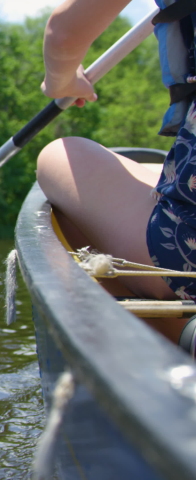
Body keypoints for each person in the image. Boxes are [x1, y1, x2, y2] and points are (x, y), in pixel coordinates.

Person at [37, 0, 196, 341]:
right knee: (147, 173)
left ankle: (151, 342)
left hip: (188, 252)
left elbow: (63, 33)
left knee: (60, 155)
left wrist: (61, 80)